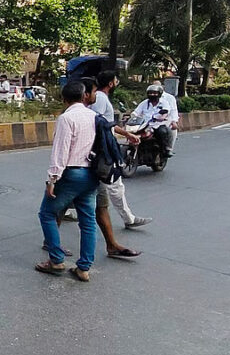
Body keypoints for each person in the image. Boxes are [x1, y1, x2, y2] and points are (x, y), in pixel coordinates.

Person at [35, 80, 100, 282]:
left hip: (72, 173)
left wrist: (52, 179)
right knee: (88, 221)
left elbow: (60, 151)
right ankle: (84, 268)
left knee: (47, 213)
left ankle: (56, 260)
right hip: (91, 173)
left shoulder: (66, 118)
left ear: (63, 99)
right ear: (84, 96)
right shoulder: (95, 117)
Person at [90, 71, 153, 230]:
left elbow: (107, 124)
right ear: (111, 83)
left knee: (91, 183)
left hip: (102, 146)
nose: (118, 82)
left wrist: (126, 133)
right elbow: (97, 123)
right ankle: (128, 218)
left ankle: (66, 209)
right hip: (103, 148)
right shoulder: (100, 98)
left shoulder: (100, 98)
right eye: (116, 80)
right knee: (114, 184)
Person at [132, 84, 174, 155]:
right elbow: (136, 112)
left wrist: (161, 117)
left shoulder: (164, 102)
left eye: (155, 93)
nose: (152, 95)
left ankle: (165, 148)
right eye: (150, 93)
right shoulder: (144, 103)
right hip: (145, 124)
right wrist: (132, 116)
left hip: (158, 124)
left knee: (162, 132)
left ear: (159, 94)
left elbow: (166, 112)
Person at [150, 80, 180, 154]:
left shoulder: (169, 98)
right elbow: (140, 110)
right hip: (151, 120)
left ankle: (168, 148)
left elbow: (172, 110)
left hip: (165, 120)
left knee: (169, 130)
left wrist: (174, 121)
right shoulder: (149, 99)